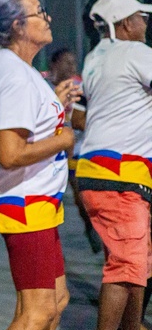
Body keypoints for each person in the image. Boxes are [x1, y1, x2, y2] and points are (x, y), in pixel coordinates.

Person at [0, 0, 79, 330]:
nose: (48, 18)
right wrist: (62, 138)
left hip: (35, 202)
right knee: (38, 310)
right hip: (25, 202)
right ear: (18, 25)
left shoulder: (11, 68)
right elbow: (10, 153)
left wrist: (54, 108)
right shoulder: (14, 74)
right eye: (39, 12)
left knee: (56, 300)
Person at [76, 0, 152, 330]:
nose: (145, 23)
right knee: (125, 269)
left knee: (135, 265)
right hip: (122, 177)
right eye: (140, 18)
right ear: (124, 25)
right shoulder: (136, 53)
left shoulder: (94, 58)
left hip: (95, 173)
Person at [43, 47, 99, 253]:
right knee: (49, 202)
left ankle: (89, 226)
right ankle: (50, 245)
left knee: (81, 197)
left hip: (76, 150)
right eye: (66, 62)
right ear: (54, 65)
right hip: (49, 152)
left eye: (73, 62)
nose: (71, 67)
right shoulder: (44, 87)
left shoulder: (81, 87)